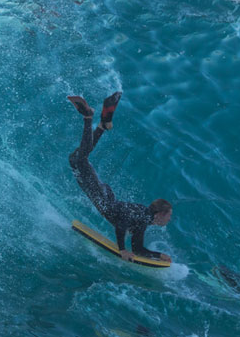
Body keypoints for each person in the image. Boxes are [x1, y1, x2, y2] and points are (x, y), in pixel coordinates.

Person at [67, 91, 172, 263]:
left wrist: (159, 256)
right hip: (102, 197)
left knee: (76, 160)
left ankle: (102, 126)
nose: (170, 219)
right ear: (160, 214)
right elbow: (121, 222)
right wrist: (122, 249)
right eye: (169, 215)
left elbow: (138, 248)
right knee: (79, 159)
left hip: (103, 196)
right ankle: (89, 116)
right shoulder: (144, 217)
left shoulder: (144, 219)